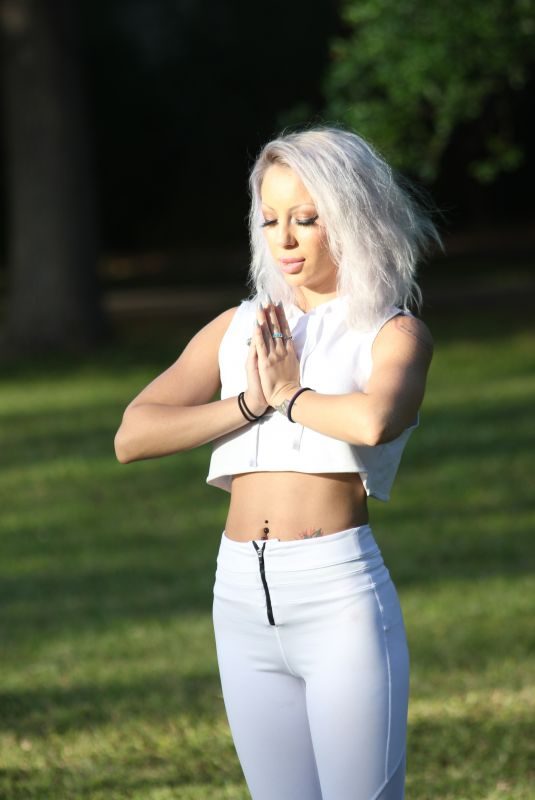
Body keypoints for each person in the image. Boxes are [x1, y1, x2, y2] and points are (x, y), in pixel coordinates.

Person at [114, 126, 440, 800]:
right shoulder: (239, 327)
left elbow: (377, 418)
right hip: (237, 595)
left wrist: (291, 396)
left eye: (305, 218)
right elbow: (133, 434)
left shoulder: (391, 332)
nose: (283, 238)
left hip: (337, 595)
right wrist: (246, 404)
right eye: (269, 219)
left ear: (350, 219)